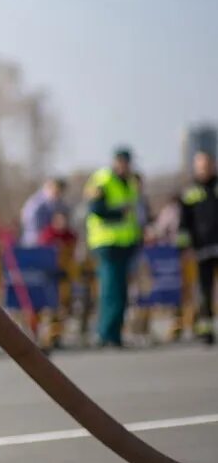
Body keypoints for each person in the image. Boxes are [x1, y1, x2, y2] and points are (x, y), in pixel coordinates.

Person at [83, 148, 142, 348]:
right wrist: (119, 213)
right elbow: (95, 209)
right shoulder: (103, 179)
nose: (124, 166)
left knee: (122, 291)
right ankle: (105, 333)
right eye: (121, 162)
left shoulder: (131, 182)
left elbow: (134, 215)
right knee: (110, 290)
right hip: (106, 242)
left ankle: (115, 334)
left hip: (125, 243)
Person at [179, 151, 218, 345]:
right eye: (201, 166)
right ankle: (206, 330)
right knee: (204, 291)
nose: (205, 169)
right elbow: (184, 225)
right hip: (202, 249)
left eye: (208, 164)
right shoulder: (190, 192)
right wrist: (185, 248)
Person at [20, 178, 68, 246]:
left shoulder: (58, 203)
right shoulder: (36, 204)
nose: (58, 194)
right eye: (56, 191)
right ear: (49, 188)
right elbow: (30, 224)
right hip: (34, 242)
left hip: (50, 241)